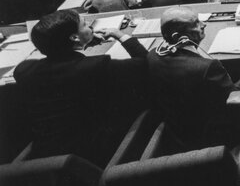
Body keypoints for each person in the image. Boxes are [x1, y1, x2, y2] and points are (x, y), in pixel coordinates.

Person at [14, 10, 148, 165]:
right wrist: (119, 35)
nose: (90, 27)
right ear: (74, 37)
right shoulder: (95, 66)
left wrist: (79, 44)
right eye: (85, 24)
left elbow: (61, 66)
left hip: (46, 156)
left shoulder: (24, 71)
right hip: (94, 154)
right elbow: (144, 63)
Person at [147, 7, 240, 148]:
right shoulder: (208, 67)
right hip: (209, 132)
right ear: (178, 37)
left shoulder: (152, 55)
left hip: (177, 125)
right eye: (195, 23)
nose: (203, 25)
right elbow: (233, 96)